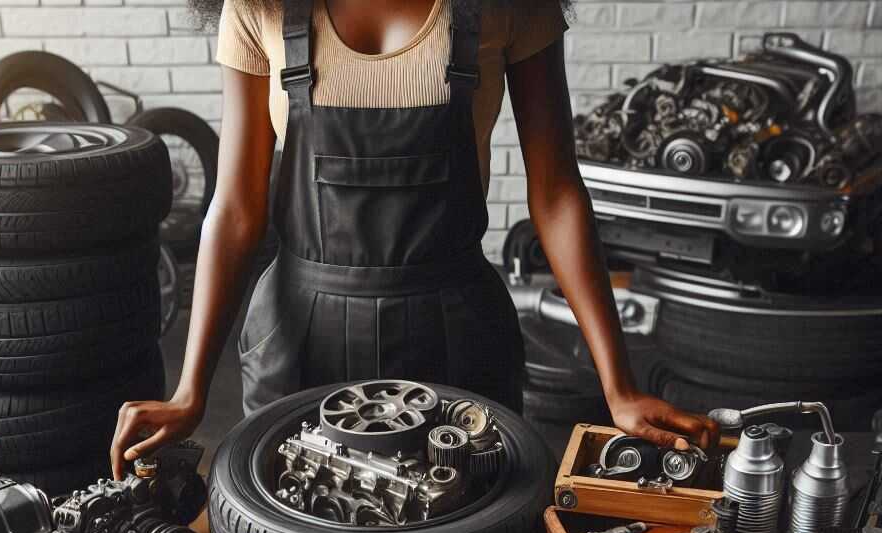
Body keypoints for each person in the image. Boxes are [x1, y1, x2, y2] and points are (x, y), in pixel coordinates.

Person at [110, 0, 718, 477]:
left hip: (457, 338)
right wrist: (190, 390)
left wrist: (619, 388)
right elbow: (237, 206)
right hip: (296, 343)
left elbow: (557, 193)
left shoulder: (511, 5)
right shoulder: (260, 6)